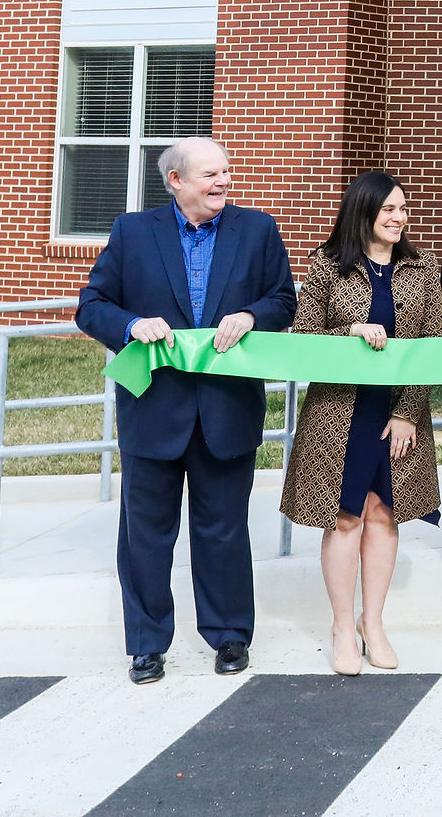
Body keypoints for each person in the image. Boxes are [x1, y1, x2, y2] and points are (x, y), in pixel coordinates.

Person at [76, 137, 296, 685]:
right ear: (175, 181)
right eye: (209, 175)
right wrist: (131, 325)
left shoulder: (258, 230)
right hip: (153, 409)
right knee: (146, 535)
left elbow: (282, 300)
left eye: (226, 172)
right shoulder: (133, 233)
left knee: (223, 530)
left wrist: (251, 315)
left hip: (227, 410)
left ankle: (229, 637)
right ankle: (147, 645)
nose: (223, 182)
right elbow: (92, 305)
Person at [279, 172, 442, 675]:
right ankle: (340, 626)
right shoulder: (327, 265)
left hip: (396, 416)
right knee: (345, 515)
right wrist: (350, 330)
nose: (399, 218)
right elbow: (303, 336)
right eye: (388, 209)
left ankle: (374, 625)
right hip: (338, 413)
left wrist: (406, 413)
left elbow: (430, 345)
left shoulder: (422, 267)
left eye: (403, 209)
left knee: (383, 515)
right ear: (363, 212)